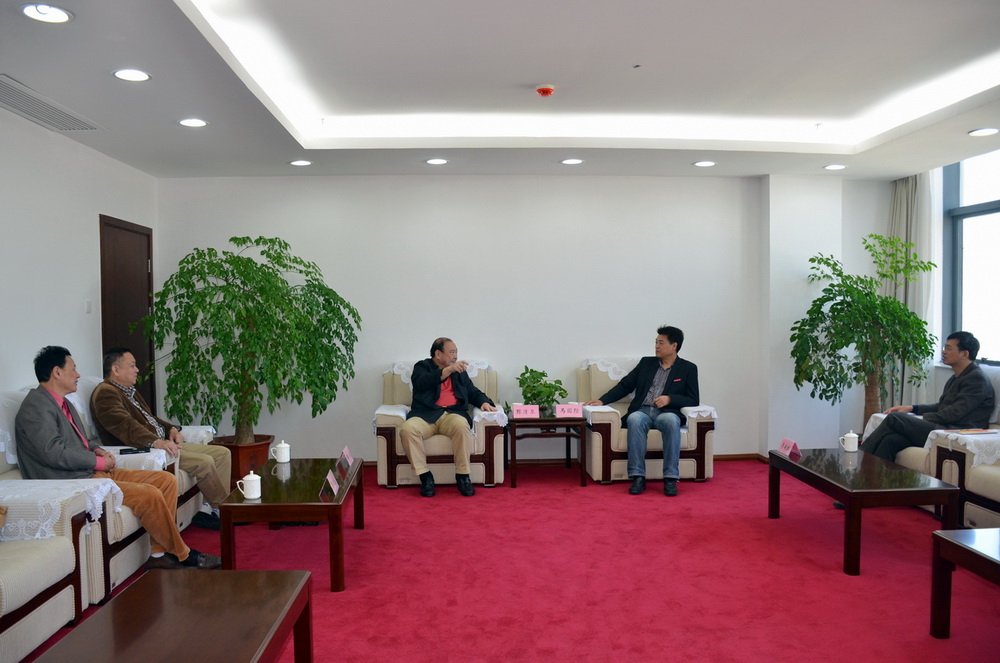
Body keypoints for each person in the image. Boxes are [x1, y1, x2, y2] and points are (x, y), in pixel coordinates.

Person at [15, 346, 221, 570]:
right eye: (73, 369)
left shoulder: (64, 403)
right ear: (57, 372)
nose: (78, 374)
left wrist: (98, 451)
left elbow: (82, 440)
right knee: (150, 494)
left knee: (166, 480)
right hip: (72, 480)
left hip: (92, 471)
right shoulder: (36, 406)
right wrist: (98, 462)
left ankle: (158, 554)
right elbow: (53, 453)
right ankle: (184, 554)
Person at [90, 347, 231, 530]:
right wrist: (157, 442)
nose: (137, 370)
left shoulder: (128, 391)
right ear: (116, 369)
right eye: (132, 365)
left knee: (222, 453)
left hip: (163, 443)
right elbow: (125, 426)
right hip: (147, 449)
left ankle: (211, 510)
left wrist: (171, 428)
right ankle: (225, 512)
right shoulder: (105, 393)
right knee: (204, 462)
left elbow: (151, 419)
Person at [584, 326, 699, 496]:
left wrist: (670, 399)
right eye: (656, 342)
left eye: (661, 343)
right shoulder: (646, 363)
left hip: (667, 412)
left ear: (674, 345)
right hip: (643, 410)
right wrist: (602, 400)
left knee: (671, 421)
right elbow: (625, 385)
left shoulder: (688, 368)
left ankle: (670, 478)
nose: (656, 346)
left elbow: (693, 399)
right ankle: (638, 476)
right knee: (634, 419)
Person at [861, 331, 995, 461]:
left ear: (964, 354)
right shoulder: (957, 377)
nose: (943, 352)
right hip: (946, 428)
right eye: (944, 348)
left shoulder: (976, 379)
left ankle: (860, 459)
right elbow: (942, 406)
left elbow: (953, 414)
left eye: (949, 348)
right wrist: (912, 408)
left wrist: (921, 419)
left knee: (895, 418)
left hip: (959, 433)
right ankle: (873, 474)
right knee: (890, 440)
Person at [400, 337, 497, 497]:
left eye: (456, 352)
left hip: (452, 414)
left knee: (461, 425)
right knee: (407, 429)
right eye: (452, 352)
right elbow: (422, 383)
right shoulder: (422, 367)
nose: (455, 356)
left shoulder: (459, 372)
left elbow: (472, 391)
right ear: (438, 354)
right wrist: (447, 371)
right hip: (426, 415)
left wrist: (484, 402)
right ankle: (425, 477)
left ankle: (463, 476)